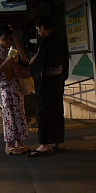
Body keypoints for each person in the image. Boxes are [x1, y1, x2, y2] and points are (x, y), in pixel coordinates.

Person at [0, 24, 30, 155]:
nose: (7, 41)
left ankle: (19, 141)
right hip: (6, 86)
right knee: (9, 115)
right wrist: (8, 61)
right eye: (5, 38)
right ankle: (9, 143)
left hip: (15, 85)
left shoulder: (12, 50)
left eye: (9, 39)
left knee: (19, 114)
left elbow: (24, 61)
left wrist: (17, 43)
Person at [27, 16, 69, 157]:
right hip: (58, 80)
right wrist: (62, 77)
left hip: (46, 82)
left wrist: (31, 64)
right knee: (57, 112)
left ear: (43, 27)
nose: (39, 33)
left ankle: (45, 144)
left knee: (43, 112)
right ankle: (59, 142)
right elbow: (66, 61)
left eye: (38, 30)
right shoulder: (60, 40)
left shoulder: (45, 43)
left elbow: (38, 63)